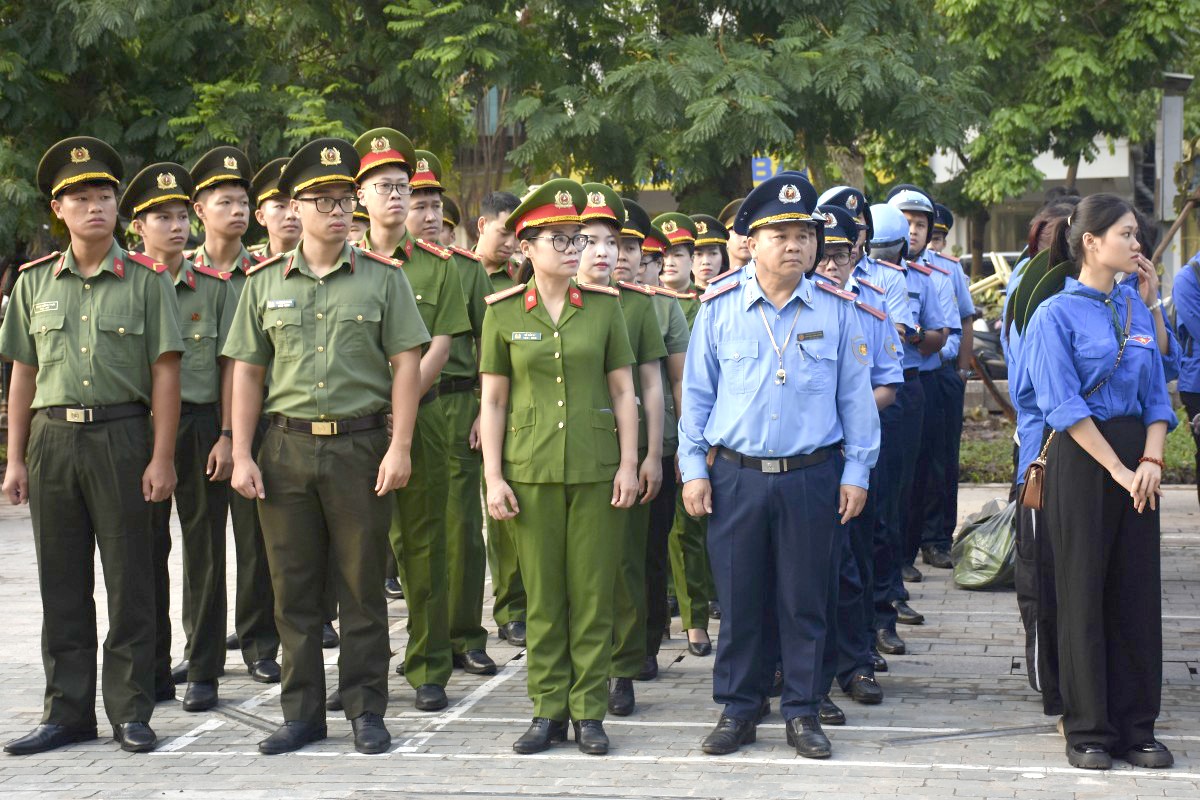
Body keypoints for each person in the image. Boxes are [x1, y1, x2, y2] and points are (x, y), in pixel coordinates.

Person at [224, 137, 429, 755]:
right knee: (293, 589)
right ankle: (303, 713)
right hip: (284, 449)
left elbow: (406, 363)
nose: (337, 210)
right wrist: (239, 452)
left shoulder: (383, 280)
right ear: (295, 207)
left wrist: (401, 446)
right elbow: (248, 372)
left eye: (345, 200)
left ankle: (367, 709)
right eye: (322, 200)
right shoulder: (263, 282)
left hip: (360, 448)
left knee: (362, 586)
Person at [682, 174, 879, 760]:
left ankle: (802, 709)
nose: (795, 245)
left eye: (805, 235)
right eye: (781, 234)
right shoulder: (719, 308)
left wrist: (857, 472)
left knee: (805, 599)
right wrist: (693, 467)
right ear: (751, 240)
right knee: (740, 600)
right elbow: (695, 398)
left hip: (812, 474)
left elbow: (856, 399)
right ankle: (739, 708)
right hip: (736, 476)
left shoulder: (837, 310)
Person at [1, 137, 184, 755]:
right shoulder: (33, 284)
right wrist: (16, 458)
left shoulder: (146, 280)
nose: (95, 207)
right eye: (81, 198)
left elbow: (165, 372)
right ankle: (67, 712)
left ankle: (131, 711)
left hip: (123, 435)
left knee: (131, 578)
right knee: (61, 582)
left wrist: (162, 457)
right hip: (53, 440)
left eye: (104, 195)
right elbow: (22, 373)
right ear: (59, 209)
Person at [480, 178, 640, 756]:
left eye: (578, 238)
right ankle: (547, 710)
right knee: (543, 598)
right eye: (560, 238)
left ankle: (589, 711)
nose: (574, 249)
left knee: (592, 594)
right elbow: (493, 401)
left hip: (596, 469)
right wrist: (494, 477)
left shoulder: (603, 309)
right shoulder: (500, 314)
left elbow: (624, 392)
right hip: (530, 469)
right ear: (526, 246)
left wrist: (628, 463)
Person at [1025, 193, 1175, 770]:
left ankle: (1138, 725)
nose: (1137, 245)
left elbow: (1158, 395)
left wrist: (1152, 463)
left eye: (1136, 235)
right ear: (1092, 242)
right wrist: (1118, 468)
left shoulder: (1138, 311)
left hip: (1139, 463)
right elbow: (1061, 404)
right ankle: (1088, 727)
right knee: (1083, 590)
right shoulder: (1053, 315)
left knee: (1137, 595)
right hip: (1087, 462)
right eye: (1127, 234)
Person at [354, 128, 470, 711]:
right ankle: (363, 670)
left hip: (418, 420)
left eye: (403, 187)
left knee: (425, 545)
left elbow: (441, 346)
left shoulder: (437, 266)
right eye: (385, 188)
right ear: (361, 198)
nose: (397, 198)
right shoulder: (342, 263)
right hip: (351, 429)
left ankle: (429, 665)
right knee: (357, 555)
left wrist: (395, 410)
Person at [121, 162, 238, 714]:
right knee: (143, 551)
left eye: (178, 215)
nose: (174, 226)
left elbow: (233, 366)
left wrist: (228, 434)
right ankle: (152, 665)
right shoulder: (126, 285)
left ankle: (205, 668)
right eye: (159, 217)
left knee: (205, 551)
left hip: (200, 425)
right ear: (138, 226)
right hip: (135, 428)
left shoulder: (213, 288)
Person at [188, 146, 282, 684]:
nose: (239, 211)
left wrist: (235, 434)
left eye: (244, 202)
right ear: (200, 210)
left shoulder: (265, 272)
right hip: (195, 421)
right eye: (225, 201)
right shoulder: (176, 273)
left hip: (255, 420)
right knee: (202, 541)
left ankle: (258, 644)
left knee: (256, 538)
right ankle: (201, 654)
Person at [576, 183, 666, 716]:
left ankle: (622, 667)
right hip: (567, 451)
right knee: (578, 569)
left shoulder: (636, 307)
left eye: (612, 241)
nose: (604, 251)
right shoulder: (547, 300)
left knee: (626, 565)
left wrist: (652, 455)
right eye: (590, 240)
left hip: (622, 452)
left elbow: (652, 385)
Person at [410, 149, 500, 676]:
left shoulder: (464, 271)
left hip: (455, 404)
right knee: (406, 536)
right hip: (397, 411)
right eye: (416, 203)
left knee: (462, 528)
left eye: (431, 205)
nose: (424, 214)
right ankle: (422, 639)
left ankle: (465, 634)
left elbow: (491, 346)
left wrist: (481, 415)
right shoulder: (377, 265)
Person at [811, 205, 900, 725]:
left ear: (856, 255)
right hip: (801, 459)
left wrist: (851, 412)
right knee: (806, 571)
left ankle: (856, 660)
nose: (829, 265)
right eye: (822, 255)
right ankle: (798, 668)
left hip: (854, 457)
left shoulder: (869, 308)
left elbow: (888, 383)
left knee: (855, 564)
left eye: (840, 255)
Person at [861, 203, 951, 665]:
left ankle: (885, 606)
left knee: (886, 504)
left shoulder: (891, 281)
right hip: (832, 407)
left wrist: (910, 337)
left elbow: (923, 335)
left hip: (893, 395)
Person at [620, 199, 693, 669]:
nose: (622, 256)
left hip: (658, 443)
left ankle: (645, 642)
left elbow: (679, 380)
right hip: (599, 443)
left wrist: (686, 444)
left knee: (650, 548)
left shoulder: (664, 308)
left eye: (631, 247)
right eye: (613, 243)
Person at [475, 190, 528, 648]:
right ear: (482, 226)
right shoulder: (464, 273)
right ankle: (494, 610)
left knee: (511, 512)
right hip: (466, 406)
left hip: (515, 412)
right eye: (503, 231)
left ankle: (517, 606)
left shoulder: (520, 278)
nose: (511, 241)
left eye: (518, 233)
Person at [251, 158, 301, 259]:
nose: (291, 215)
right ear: (261, 217)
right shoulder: (249, 269)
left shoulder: (324, 265)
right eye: (280, 206)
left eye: (296, 206)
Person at [718, 198, 750, 269]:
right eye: (738, 232)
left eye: (750, 232)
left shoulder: (769, 277)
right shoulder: (714, 277)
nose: (745, 239)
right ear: (725, 239)